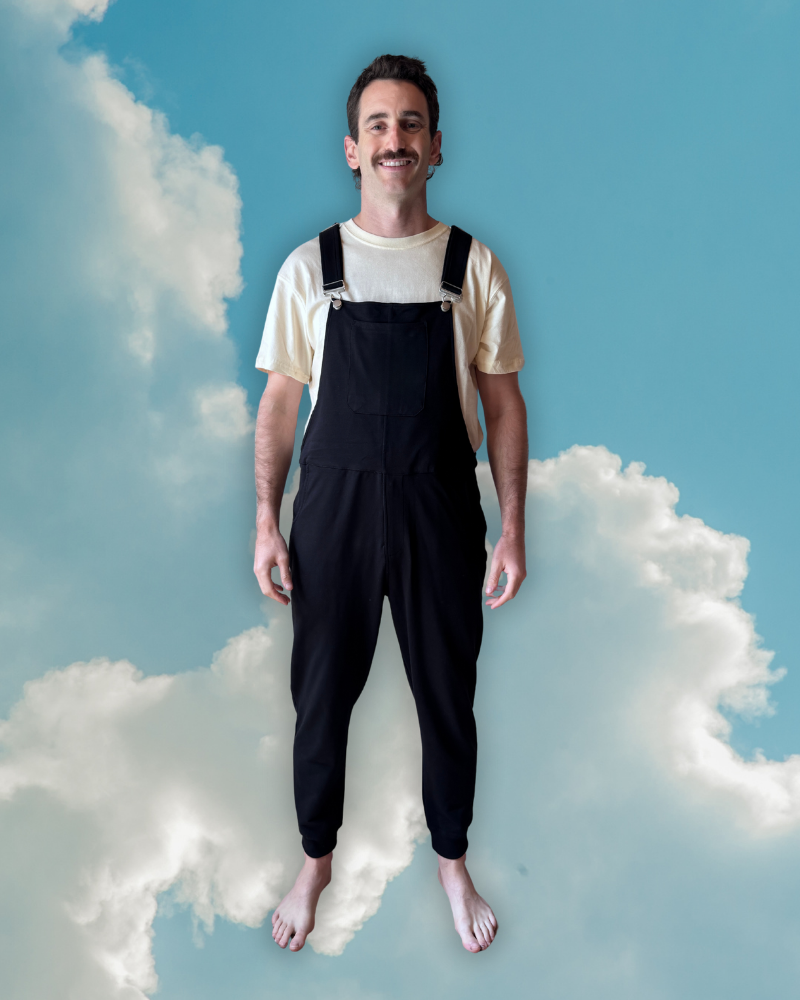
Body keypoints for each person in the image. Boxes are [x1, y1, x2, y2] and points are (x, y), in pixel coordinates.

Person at [253, 53, 528, 954]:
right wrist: (266, 521)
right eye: (377, 124)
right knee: (320, 698)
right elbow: (280, 404)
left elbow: (503, 405)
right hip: (332, 509)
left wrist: (512, 530)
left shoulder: (470, 265)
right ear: (352, 148)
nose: (393, 139)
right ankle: (315, 861)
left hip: (440, 506)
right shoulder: (312, 267)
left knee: (447, 696)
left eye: (410, 123)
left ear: (436, 145)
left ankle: (452, 860)